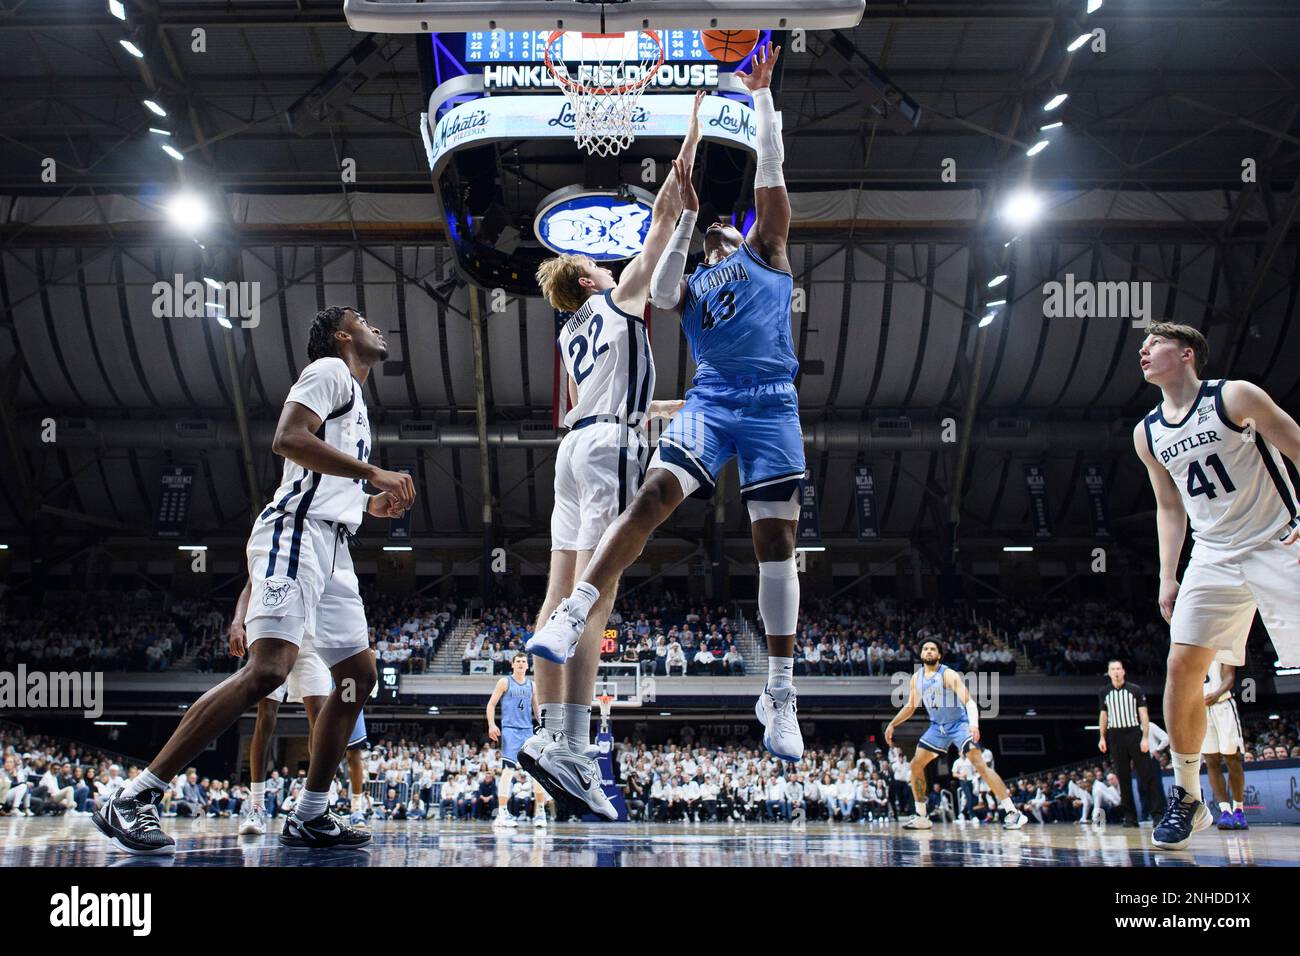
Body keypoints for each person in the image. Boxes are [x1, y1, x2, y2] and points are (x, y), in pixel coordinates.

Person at [529, 45, 807, 768]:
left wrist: (761, 101)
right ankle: (574, 641)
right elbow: (657, 282)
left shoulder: (768, 250)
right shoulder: (674, 289)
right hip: (709, 402)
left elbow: (771, 175)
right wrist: (682, 207)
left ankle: (778, 694)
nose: (723, 228)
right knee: (652, 493)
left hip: (771, 404)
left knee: (775, 546)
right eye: (712, 231)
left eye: (726, 225)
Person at [93, 307, 415, 855]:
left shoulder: (355, 397)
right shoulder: (329, 370)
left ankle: (312, 812)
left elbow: (317, 475)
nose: (376, 325)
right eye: (364, 319)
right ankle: (135, 795)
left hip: (334, 546)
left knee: (358, 676)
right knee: (268, 671)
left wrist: (368, 502)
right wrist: (372, 473)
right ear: (342, 336)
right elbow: (287, 439)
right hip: (295, 534)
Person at [518, 95, 702, 820]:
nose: (605, 263)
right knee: (598, 597)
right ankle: (572, 745)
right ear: (591, 281)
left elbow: (616, 397)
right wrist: (690, 141)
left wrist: (673, 411)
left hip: (573, 447)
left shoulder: (571, 334)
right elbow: (660, 220)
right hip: (606, 451)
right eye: (597, 263)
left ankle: (547, 736)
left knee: (557, 595)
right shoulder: (616, 300)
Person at [1134, 322, 1300, 849]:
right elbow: (1168, 505)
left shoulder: (1235, 395)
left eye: (1154, 343)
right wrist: (1167, 573)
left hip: (1279, 539)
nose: (1143, 350)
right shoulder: (1148, 432)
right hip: (1213, 554)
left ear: (1186, 354)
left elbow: (1297, 445)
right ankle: (1187, 797)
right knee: (1182, 665)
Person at [885, 639, 1028, 830]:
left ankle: (1013, 812)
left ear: (939, 655)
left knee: (980, 764)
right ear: (920, 654)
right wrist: (892, 724)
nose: (928, 651)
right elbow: (910, 706)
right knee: (916, 765)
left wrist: (974, 725)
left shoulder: (948, 674)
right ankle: (921, 816)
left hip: (959, 725)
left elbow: (969, 701)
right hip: (938, 727)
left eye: (933, 649)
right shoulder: (916, 678)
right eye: (925, 649)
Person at [1097, 659, 1162, 829]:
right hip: (1115, 735)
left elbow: (1144, 715)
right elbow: (1103, 716)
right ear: (1109, 673)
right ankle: (1130, 818)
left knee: (1147, 776)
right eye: (1113, 669)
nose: (1116, 672)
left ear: (1123, 671)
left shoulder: (1135, 690)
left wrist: (1145, 737)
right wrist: (1102, 737)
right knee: (1123, 778)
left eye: (1119, 669)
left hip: (1134, 733)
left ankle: (1157, 815)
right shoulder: (1104, 692)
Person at [485, 653, 547, 829]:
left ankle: (540, 812)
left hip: (527, 731)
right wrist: (491, 725)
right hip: (510, 731)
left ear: (527, 666)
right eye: (518, 661)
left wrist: (543, 726)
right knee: (508, 771)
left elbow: (536, 707)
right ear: (512, 665)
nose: (521, 664)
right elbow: (491, 705)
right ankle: (502, 812)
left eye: (523, 662)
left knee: (536, 771)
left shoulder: (531, 685)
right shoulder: (504, 682)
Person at [1201, 659, 1248, 830]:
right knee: (1211, 760)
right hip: (1201, 710)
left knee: (1232, 759)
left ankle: (1239, 810)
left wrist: (1216, 694)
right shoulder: (1193, 647)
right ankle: (1225, 811)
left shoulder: (1223, 646)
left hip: (1223, 704)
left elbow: (1229, 678)